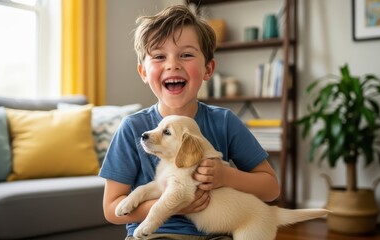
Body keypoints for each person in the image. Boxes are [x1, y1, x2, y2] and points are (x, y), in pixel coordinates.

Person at [99, 4, 280, 240]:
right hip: (156, 235)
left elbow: (271, 189)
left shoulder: (224, 122)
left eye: (186, 54)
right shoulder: (132, 128)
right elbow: (112, 210)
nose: (172, 64)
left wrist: (226, 176)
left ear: (208, 68)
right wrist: (173, 205)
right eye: (159, 56)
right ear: (143, 72)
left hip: (216, 234)